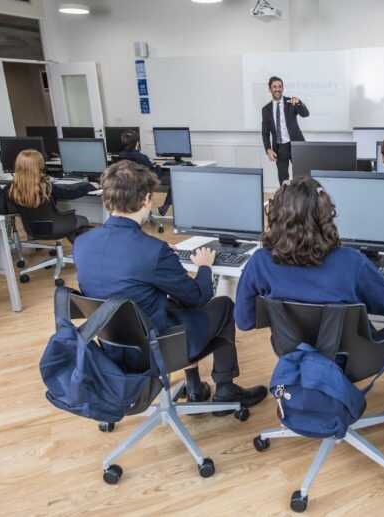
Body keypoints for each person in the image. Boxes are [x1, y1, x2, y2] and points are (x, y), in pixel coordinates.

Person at [72, 160, 266, 410]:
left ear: (107, 198)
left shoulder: (83, 243)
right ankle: (226, 390)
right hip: (157, 349)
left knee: (175, 302)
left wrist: (163, 258)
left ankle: (195, 388)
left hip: (111, 345)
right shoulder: (152, 252)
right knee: (224, 306)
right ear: (145, 200)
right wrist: (205, 266)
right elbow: (199, 296)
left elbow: (121, 274)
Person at [234, 176, 384, 333]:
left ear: (276, 214)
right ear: (325, 214)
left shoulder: (260, 261)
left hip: (290, 353)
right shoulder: (351, 262)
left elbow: (244, 322)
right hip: (350, 358)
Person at [1, 149, 94, 242]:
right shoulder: (45, 186)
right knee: (82, 220)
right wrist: (89, 186)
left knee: (68, 223)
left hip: (31, 229)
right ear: (39, 165)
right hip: (53, 227)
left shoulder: (11, 187)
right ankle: (85, 251)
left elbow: (3, 207)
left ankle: (79, 249)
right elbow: (70, 194)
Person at [261, 76, 310, 185]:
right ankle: (286, 201)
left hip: (296, 144)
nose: (277, 89)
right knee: (283, 180)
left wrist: (298, 102)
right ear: (270, 89)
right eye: (274, 87)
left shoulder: (290, 102)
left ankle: (303, 200)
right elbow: (265, 132)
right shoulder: (266, 110)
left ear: (283, 88)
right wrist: (268, 149)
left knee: (302, 177)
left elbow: (305, 114)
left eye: (280, 86)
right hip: (280, 148)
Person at [115, 129, 172, 216]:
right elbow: (154, 173)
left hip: (129, 184)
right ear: (137, 143)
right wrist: (158, 166)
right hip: (145, 182)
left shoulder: (120, 155)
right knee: (176, 180)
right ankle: (165, 207)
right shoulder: (141, 157)